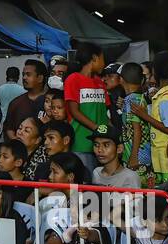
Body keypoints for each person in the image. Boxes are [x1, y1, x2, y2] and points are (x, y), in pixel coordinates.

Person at [132, 51, 168, 185]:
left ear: (156, 70)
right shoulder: (162, 94)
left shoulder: (165, 98)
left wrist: (144, 116)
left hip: (165, 154)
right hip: (160, 154)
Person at [64, 43, 110, 174]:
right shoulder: (73, 79)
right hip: (81, 143)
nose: (103, 63)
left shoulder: (100, 82)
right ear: (95, 58)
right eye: (102, 59)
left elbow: (104, 114)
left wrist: (111, 133)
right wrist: (97, 128)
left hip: (102, 143)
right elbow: (74, 111)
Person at [118, 62, 152, 184]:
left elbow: (137, 130)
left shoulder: (130, 100)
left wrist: (133, 156)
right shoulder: (140, 97)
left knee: (136, 195)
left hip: (137, 156)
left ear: (121, 80)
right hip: (144, 154)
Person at [4, 58, 48, 140]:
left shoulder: (51, 102)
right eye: (23, 74)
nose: (24, 78)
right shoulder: (16, 103)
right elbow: (9, 129)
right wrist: (19, 145)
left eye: (28, 75)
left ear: (40, 78)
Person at [90, 124, 140, 191]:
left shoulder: (130, 176)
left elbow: (136, 201)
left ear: (119, 148)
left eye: (106, 145)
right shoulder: (96, 173)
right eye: (96, 145)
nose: (99, 150)